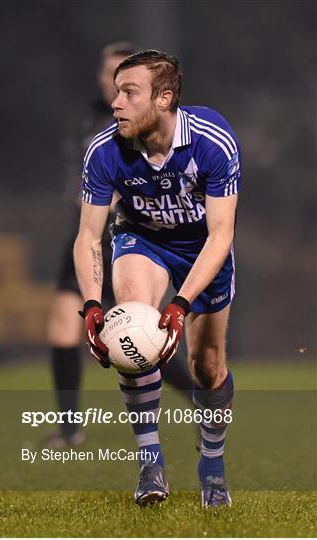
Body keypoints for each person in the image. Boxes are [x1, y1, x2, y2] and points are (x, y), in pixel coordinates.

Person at [74, 50, 241, 508]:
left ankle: (212, 467)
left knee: (207, 366)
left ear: (164, 97)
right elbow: (88, 235)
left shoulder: (212, 141)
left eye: (130, 92)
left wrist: (181, 303)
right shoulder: (104, 151)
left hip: (202, 248)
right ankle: (151, 464)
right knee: (133, 326)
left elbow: (221, 232)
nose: (116, 103)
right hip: (140, 239)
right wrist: (92, 305)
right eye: (115, 91)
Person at [47, 44, 194, 448]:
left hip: (128, 235)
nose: (119, 96)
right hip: (87, 231)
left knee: (141, 332)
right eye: (112, 77)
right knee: (63, 321)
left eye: (127, 85)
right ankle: (70, 427)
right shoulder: (91, 121)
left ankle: (200, 401)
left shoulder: (144, 123)